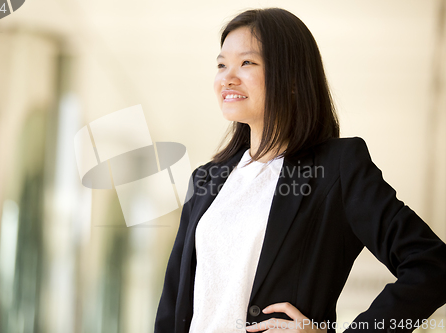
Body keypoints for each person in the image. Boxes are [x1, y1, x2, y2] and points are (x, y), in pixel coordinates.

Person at [154, 7, 446, 333]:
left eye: (246, 62)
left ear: (292, 79)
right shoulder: (207, 179)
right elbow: (173, 303)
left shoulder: (338, 168)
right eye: (222, 65)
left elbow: (432, 265)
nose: (227, 77)